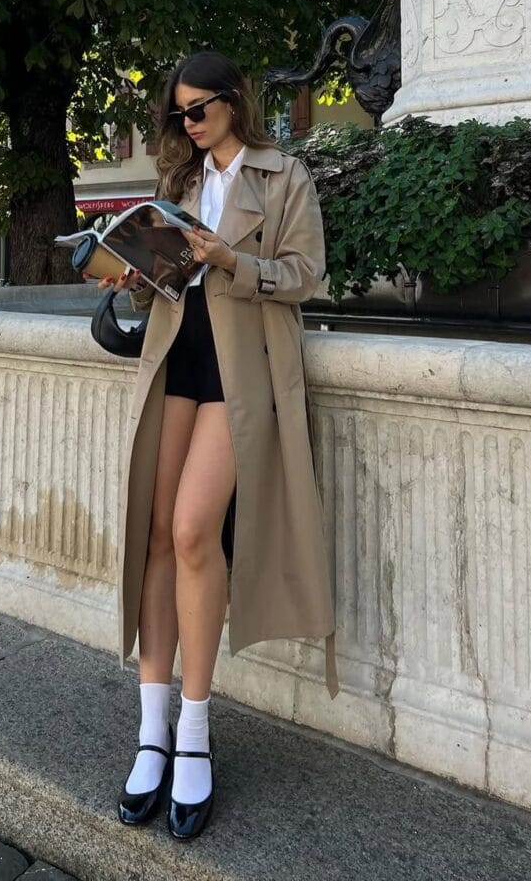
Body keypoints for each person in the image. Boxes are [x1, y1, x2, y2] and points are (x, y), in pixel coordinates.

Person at [100, 51, 336, 842]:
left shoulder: (284, 176)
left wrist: (230, 259)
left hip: (243, 371)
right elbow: (171, 282)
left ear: (235, 102)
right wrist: (132, 273)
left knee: (198, 531)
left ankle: (195, 732)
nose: (188, 124)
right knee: (159, 537)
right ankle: (152, 731)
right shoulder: (181, 186)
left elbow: (308, 275)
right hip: (176, 359)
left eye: (198, 109)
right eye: (178, 115)